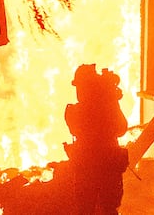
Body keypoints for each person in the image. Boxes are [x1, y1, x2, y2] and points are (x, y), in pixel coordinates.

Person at [65, 64, 128, 214]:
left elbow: (75, 128)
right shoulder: (108, 108)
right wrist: (112, 101)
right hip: (108, 165)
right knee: (109, 208)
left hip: (87, 167)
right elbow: (121, 129)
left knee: (85, 209)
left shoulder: (76, 111)